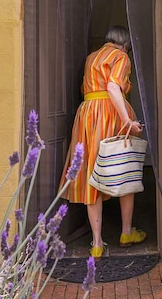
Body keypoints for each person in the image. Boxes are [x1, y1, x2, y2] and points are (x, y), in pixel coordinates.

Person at [59, 25, 146, 258]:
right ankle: (126, 232)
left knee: (91, 172)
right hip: (111, 113)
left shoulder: (91, 58)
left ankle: (96, 243)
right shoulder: (121, 56)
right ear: (125, 44)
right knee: (124, 167)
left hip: (87, 115)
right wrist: (127, 119)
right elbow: (112, 87)